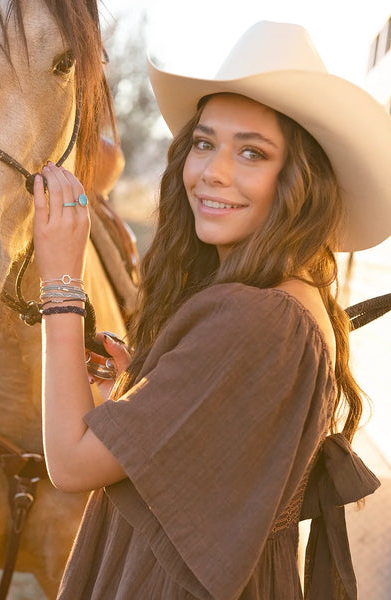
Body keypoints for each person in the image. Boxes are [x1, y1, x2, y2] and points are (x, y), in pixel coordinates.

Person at [32, 21, 389, 599]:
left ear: (297, 180)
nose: (212, 172)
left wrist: (61, 284)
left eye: (252, 152)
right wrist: (148, 397)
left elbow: (70, 466)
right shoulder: (293, 299)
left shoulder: (256, 318)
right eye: (204, 142)